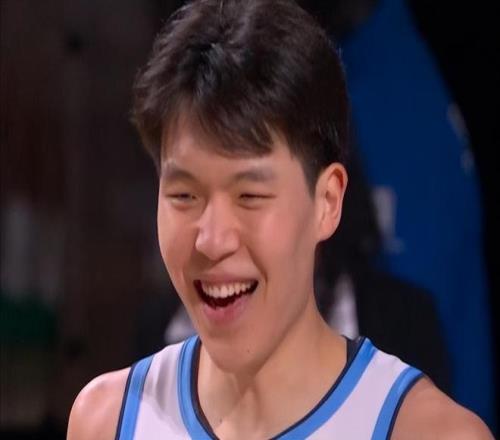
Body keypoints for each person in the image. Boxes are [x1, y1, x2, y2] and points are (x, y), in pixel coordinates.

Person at [67, 1, 493, 438]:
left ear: (327, 202)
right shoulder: (106, 421)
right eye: (184, 196)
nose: (211, 240)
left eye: (249, 196)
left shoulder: (426, 431)